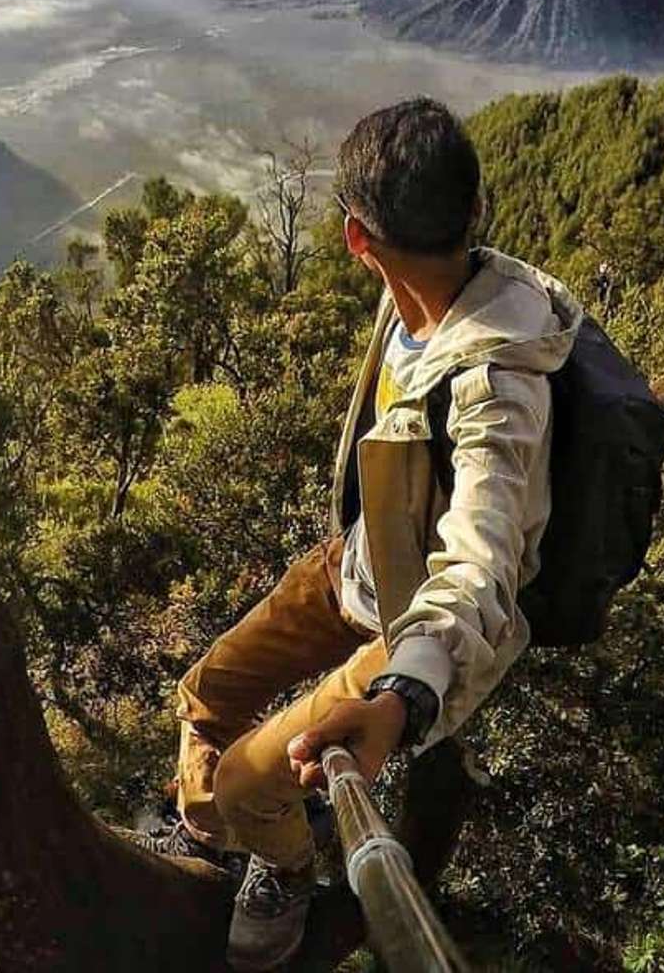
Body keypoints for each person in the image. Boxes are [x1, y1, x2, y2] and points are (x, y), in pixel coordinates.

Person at [139, 97, 581, 971]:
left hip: (410, 631)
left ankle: (283, 862)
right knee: (204, 694)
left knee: (248, 777)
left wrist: (400, 698)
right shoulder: (428, 295)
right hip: (353, 562)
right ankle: (212, 836)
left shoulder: (497, 387)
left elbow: (482, 561)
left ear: (354, 236)